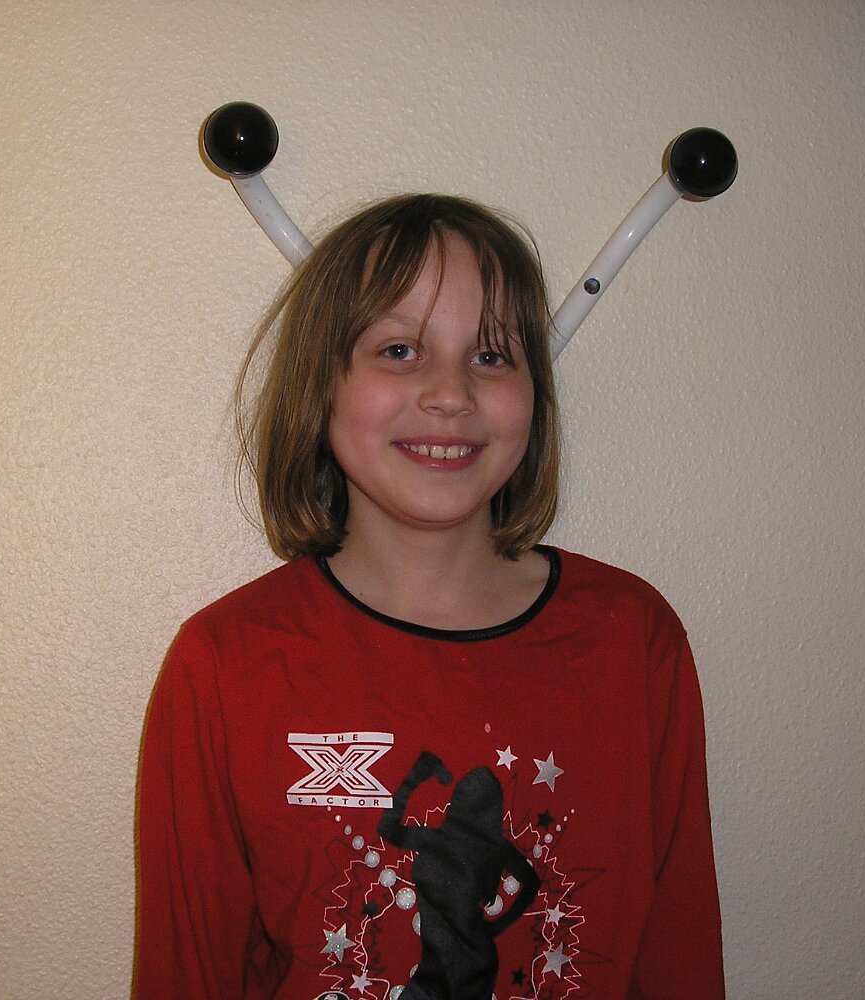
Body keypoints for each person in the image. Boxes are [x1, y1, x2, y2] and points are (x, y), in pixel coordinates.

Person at [133, 194, 723, 1000]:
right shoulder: (225, 665)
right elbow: (186, 976)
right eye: (400, 349)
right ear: (321, 387)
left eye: (492, 355)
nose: (450, 393)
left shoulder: (631, 639)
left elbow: (680, 958)